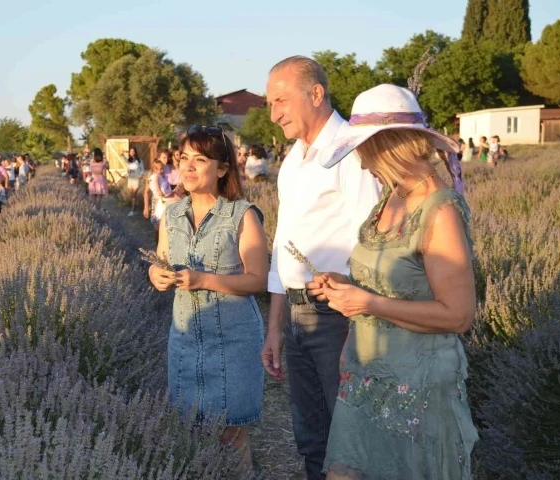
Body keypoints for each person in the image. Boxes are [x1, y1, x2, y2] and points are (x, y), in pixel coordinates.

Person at [306, 84, 478, 479]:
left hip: (416, 384)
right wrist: (344, 284)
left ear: (388, 145)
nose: (363, 164)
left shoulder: (440, 211)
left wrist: (366, 303)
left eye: (364, 150)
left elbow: (458, 316)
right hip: (365, 372)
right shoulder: (390, 198)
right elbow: (393, 282)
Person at [261, 56, 381, 479]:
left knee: (349, 439)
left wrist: (358, 320)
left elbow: (371, 246)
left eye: (280, 101)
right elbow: (282, 248)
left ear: (316, 94)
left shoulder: (352, 151)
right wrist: (275, 326)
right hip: (298, 314)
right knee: (311, 437)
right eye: (269, 103)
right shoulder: (293, 159)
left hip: (337, 317)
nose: (273, 114)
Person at [148, 125, 268, 470]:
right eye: (183, 158)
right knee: (190, 429)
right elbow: (161, 259)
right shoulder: (171, 214)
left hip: (233, 338)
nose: (187, 167)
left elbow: (257, 279)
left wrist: (204, 279)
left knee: (232, 434)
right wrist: (157, 275)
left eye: (199, 160)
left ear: (223, 169)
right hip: (186, 338)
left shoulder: (242, 215)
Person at [126, 147, 144, 216]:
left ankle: (132, 210)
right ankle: (135, 208)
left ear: (135, 152)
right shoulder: (129, 160)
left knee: (134, 194)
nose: (132, 152)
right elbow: (127, 168)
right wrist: (128, 171)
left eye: (133, 151)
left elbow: (142, 169)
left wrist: (141, 174)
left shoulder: (139, 161)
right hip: (130, 178)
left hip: (136, 178)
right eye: (131, 151)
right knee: (131, 194)